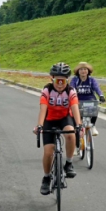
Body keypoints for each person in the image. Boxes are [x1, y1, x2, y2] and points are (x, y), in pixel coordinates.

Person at [33, 62, 83, 195]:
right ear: (52, 79)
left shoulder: (71, 91)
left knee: (71, 134)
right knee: (48, 151)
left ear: (68, 80)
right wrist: (39, 125)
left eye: (63, 80)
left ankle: (68, 163)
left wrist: (79, 124)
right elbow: (43, 109)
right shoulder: (47, 91)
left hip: (64, 118)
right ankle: (46, 177)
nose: (60, 83)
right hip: (49, 120)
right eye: (57, 80)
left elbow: (75, 108)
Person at [70, 62, 105, 136]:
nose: (83, 71)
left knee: (95, 108)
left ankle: (93, 126)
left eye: (85, 69)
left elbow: (97, 88)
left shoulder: (91, 80)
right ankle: (76, 128)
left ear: (88, 71)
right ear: (78, 71)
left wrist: (101, 96)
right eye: (81, 69)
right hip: (78, 100)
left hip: (90, 99)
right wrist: (72, 93)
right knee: (74, 114)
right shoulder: (75, 80)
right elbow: (71, 88)